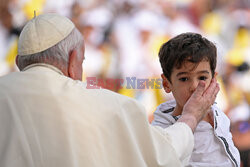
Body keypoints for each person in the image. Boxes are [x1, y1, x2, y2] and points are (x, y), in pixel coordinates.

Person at [0, 13, 219, 167]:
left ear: (19, 62)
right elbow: (162, 155)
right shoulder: (109, 105)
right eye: (82, 61)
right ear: (73, 59)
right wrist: (190, 115)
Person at [151, 32, 241, 167]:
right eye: (184, 79)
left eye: (202, 78)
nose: (194, 87)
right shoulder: (165, 130)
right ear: (166, 83)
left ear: (213, 79)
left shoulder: (217, 113)